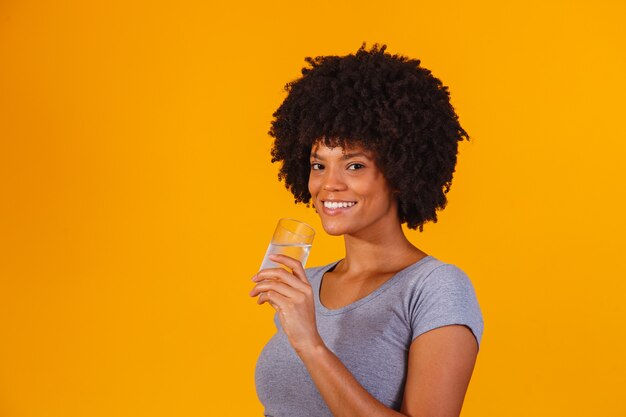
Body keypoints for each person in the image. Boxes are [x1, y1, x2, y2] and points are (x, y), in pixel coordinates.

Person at [249, 43, 484, 417]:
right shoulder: (303, 286)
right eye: (318, 165)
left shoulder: (435, 288)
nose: (329, 185)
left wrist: (311, 344)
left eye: (354, 165)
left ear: (400, 171)